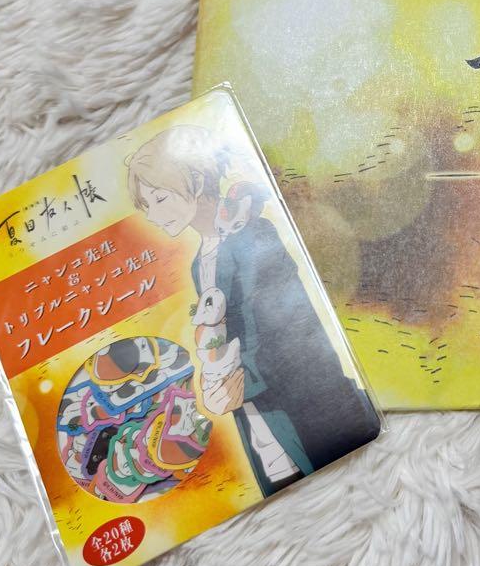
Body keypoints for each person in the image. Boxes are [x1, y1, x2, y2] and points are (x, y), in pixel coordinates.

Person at [126, 125, 379, 496]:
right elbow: (223, 337)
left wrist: (238, 385)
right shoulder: (200, 263)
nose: (152, 215)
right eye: (146, 206)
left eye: (160, 199)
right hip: (260, 426)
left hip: (312, 413)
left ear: (196, 181)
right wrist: (215, 386)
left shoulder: (253, 233)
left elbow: (290, 328)